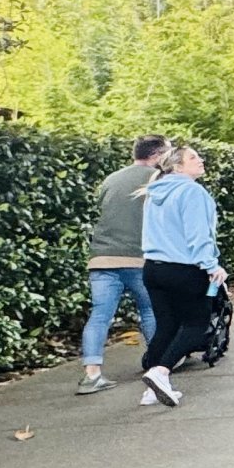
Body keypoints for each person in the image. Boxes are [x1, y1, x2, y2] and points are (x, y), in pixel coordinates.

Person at [138, 143, 228, 408]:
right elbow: (198, 234)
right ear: (177, 166)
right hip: (185, 269)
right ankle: (161, 372)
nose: (200, 160)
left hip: (153, 268)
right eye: (193, 157)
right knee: (196, 325)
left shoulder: (154, 193)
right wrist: (212, 266)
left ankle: (152, 390)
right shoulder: (193, 192)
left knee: (166, 326)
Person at [78, 135, 168, 396]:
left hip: (102, 258)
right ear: (158, 155)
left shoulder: (111, 179)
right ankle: (157, 364)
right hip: (139, 257)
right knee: (150, 309)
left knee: (99, 315)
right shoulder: (158, 180)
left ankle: (91, 375)